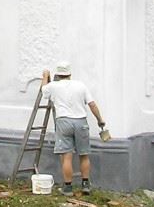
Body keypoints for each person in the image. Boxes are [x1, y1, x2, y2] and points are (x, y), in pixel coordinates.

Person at [40, 61, 107, 196]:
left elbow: (43, 90)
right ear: (70, 73)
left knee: (67, 156)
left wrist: (45, 75)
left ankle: (68, 187)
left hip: (63, 121)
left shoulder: (54, 86)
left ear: (57, 74)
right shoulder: (80, 86)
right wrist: (100, 120)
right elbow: (92, 104)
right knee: (84, 155)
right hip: (81, 122)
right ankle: (85, 184)